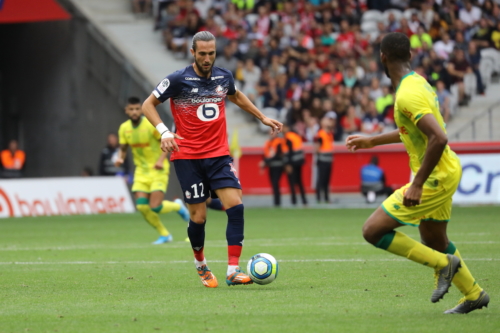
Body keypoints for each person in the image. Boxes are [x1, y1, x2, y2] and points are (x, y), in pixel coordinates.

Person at [346, 32, 489, 314]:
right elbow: (415, 131)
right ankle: (474, 294)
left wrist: (417, 184)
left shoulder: (407, 94)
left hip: (434, 176)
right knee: (434, 239)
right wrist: (372, 140)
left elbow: (439, 137)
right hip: (445, 169)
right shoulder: (417, 83)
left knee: (372, 231)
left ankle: (444, 264)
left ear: (382, 57)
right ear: (410, 55)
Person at [141, 31, 283, 288]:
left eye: (211, 53)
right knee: (198, 218)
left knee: (235, 205)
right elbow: (147, 105)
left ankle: (232, 270)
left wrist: (261, 117)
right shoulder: (177, 79)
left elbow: (236, 95)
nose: (207, 58)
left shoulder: (223, 76)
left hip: (218, 154)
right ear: (193, 52)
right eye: (202, 54)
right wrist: (164, 131)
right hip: (188, 156)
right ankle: (201, 265)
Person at [115, 96, 190, 245]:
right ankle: (164, 234)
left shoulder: (150, 125)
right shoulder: (124, 128)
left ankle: (177, 206)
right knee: (142, 206)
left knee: (155, 207)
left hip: (158, 169)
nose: (135, 112)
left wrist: (161, 161)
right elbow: (123, 148)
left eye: (137, 108)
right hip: (141, 172)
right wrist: (120, 158)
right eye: (132, 109)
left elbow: (167, 140)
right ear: (126, 111)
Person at [283, 124, 307, 206]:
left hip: (292, 163)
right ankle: (304, 200)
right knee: (300, 182)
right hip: (299, 161)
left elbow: (289, 152)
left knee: (292, 183)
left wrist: (288, 164)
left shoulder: (288, 137)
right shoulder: (296, 136)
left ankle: (294, 201)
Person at [260, 130, 286, 207]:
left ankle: (277, 203)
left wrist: (265, 162)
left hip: (278, 165)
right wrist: (264, 164)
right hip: (271, 166)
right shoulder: (268, 143)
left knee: (275, 183)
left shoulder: (279, 142)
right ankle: (276, 202)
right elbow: (265, 155)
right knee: (274, 184)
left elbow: (278, 155)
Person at [314, 116, 334, 204]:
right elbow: (317, 147)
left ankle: (326, 197)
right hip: (322, 159)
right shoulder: (321, 134)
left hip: (329, 159)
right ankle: (319, 198)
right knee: (321, 179)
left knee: (326, 180)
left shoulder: (330, 133)